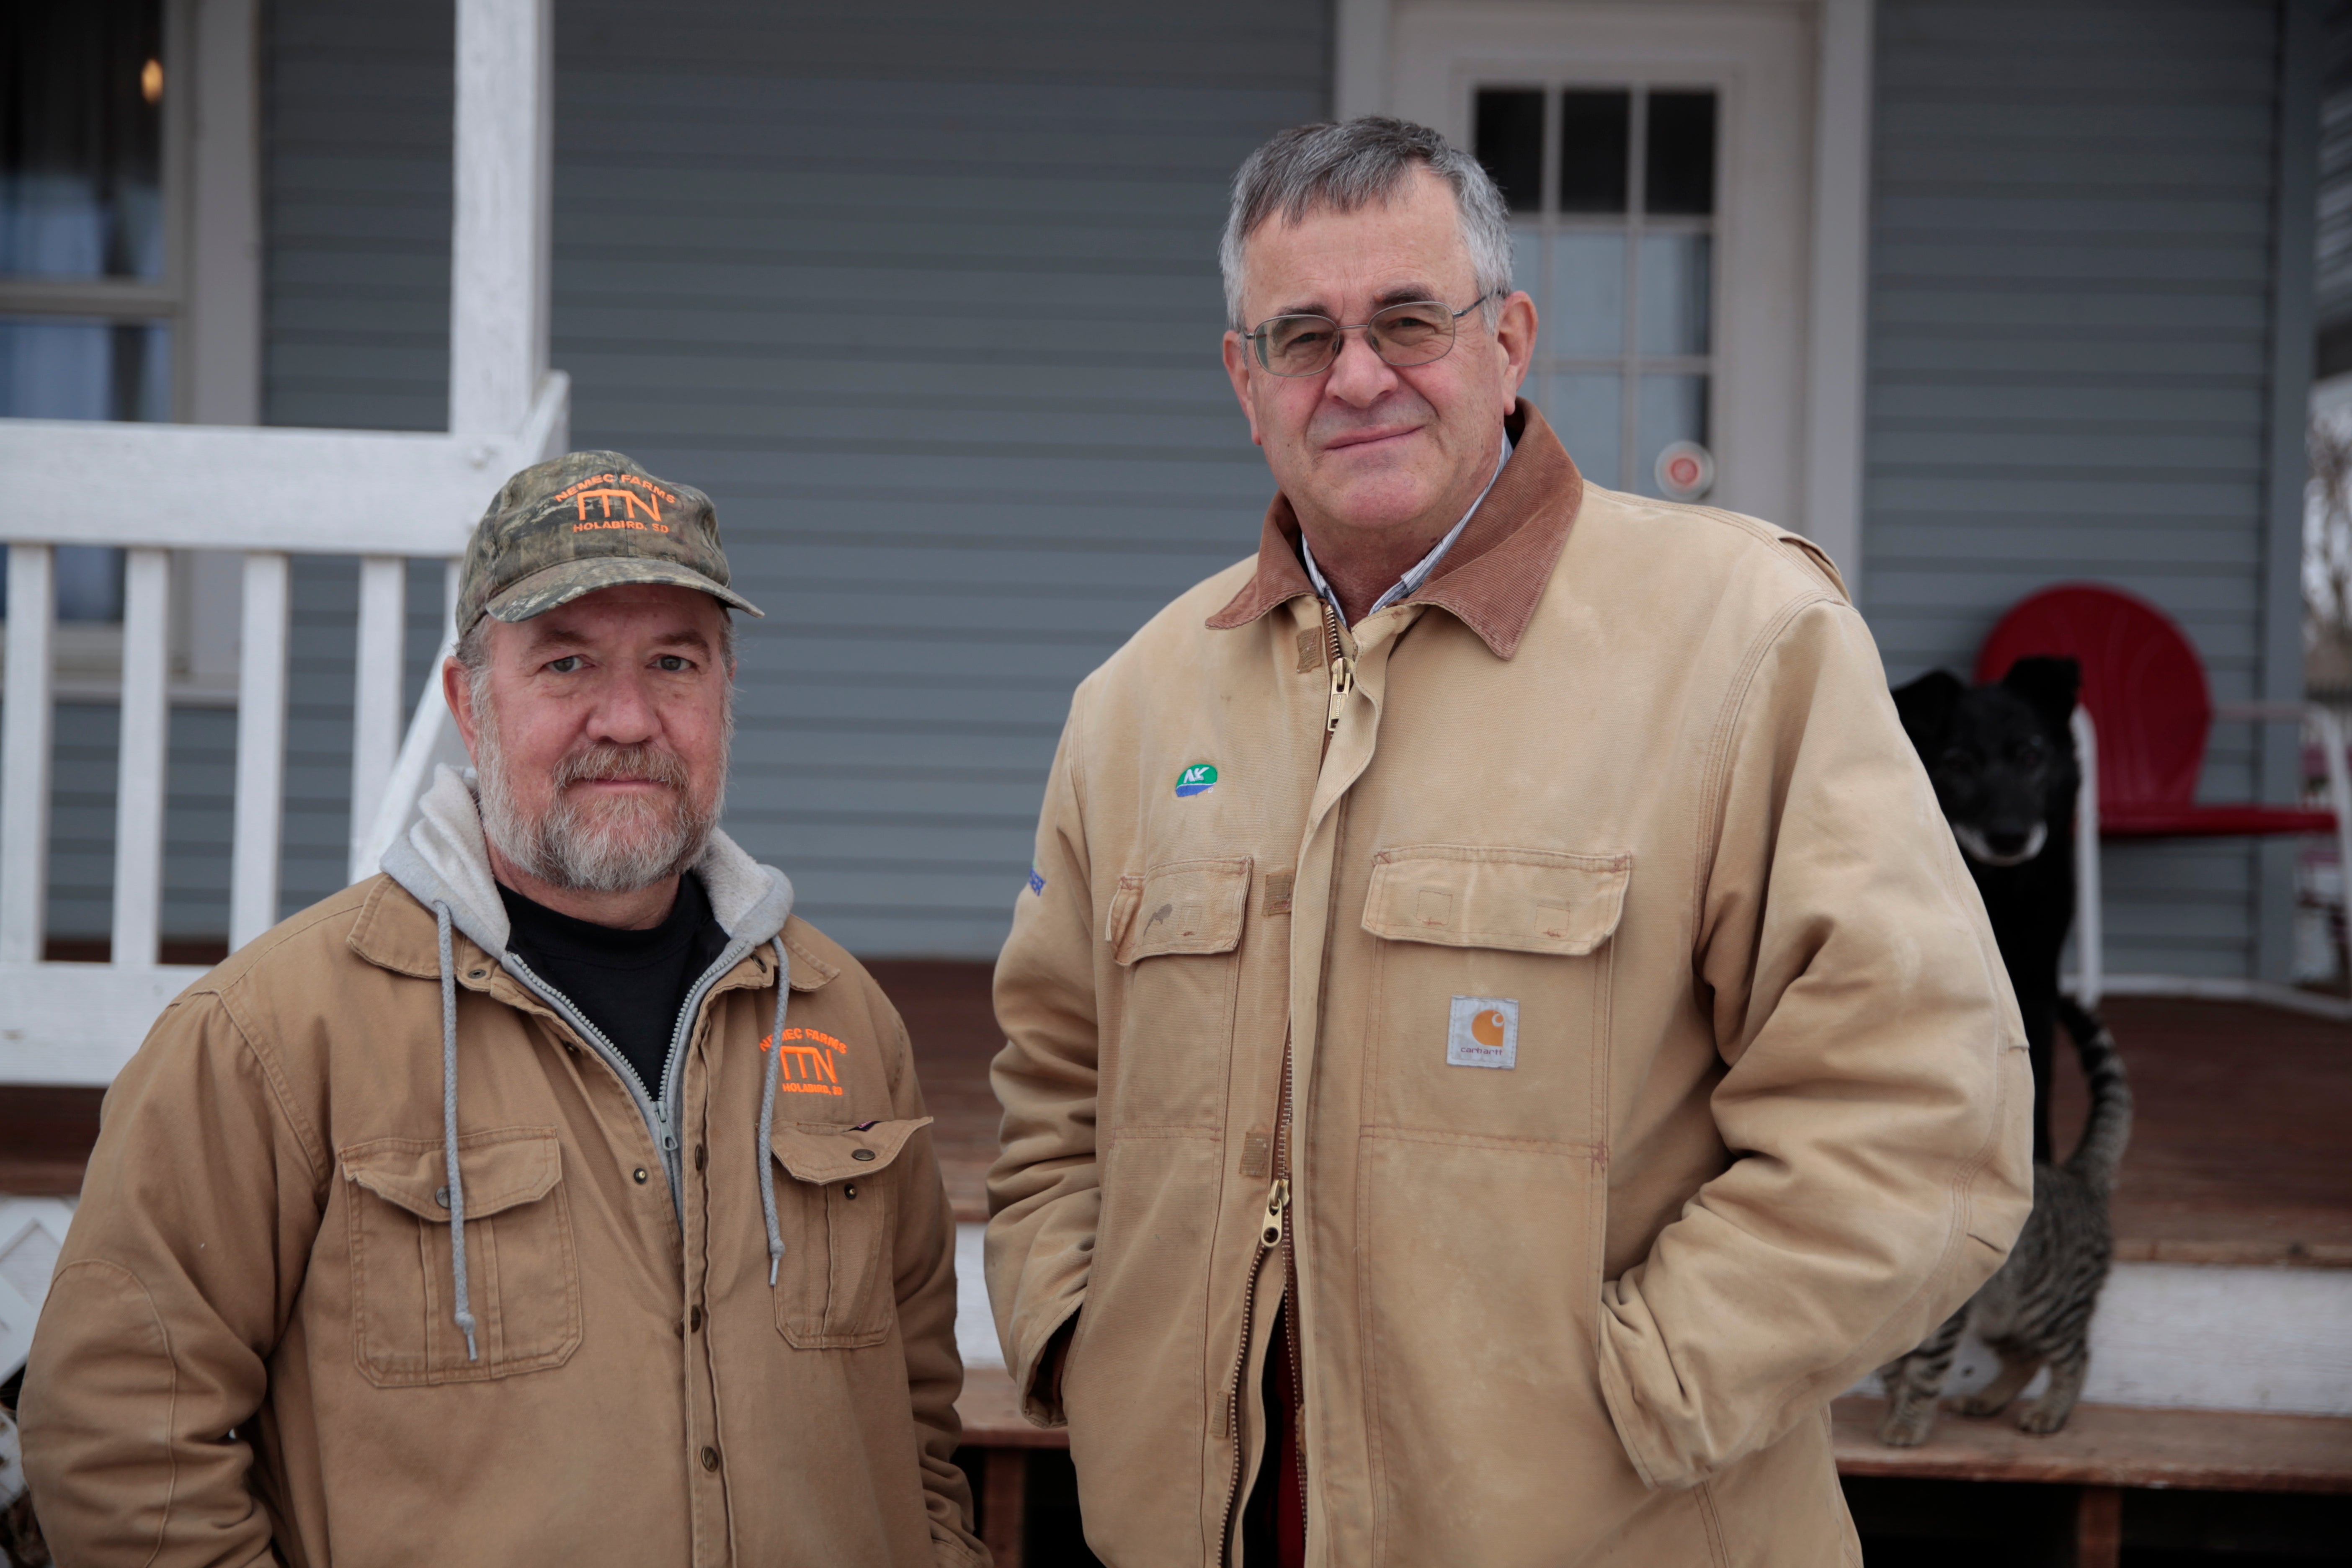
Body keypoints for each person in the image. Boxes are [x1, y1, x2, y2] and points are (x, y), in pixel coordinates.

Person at [984, 117, 2032, 1565]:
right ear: (1246, 379)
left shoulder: (1744, 642)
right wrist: (1086, 1345)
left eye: (1408, 320)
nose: (1357, 377)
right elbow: (1054, 1092)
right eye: (1302, 337)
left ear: (1511, 338)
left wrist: (1645, 1394)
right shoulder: (1138, 702)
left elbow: (1920, 1117)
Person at [21, 452, 985, 1567]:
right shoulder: (270, 1040)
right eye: (567, 662)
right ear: (466, 702)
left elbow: (914, 1429)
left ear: (726, 693)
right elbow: (118, 1437)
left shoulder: (846, 1022)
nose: (626, 718)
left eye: (675, 661)